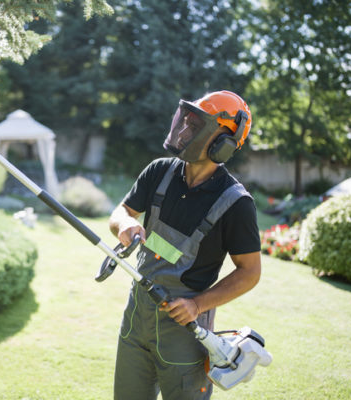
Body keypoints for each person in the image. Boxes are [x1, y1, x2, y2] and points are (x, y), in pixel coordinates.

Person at [109, 90, 261, 400]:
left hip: (185, 330)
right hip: (137, 316)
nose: (183, 131)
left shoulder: (236, 203)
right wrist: (124, 224)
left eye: (196, 126)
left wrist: (197, 305)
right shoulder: (159, 171)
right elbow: (122, 211)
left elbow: (250, 272)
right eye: (186, 122)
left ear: (224, 143)